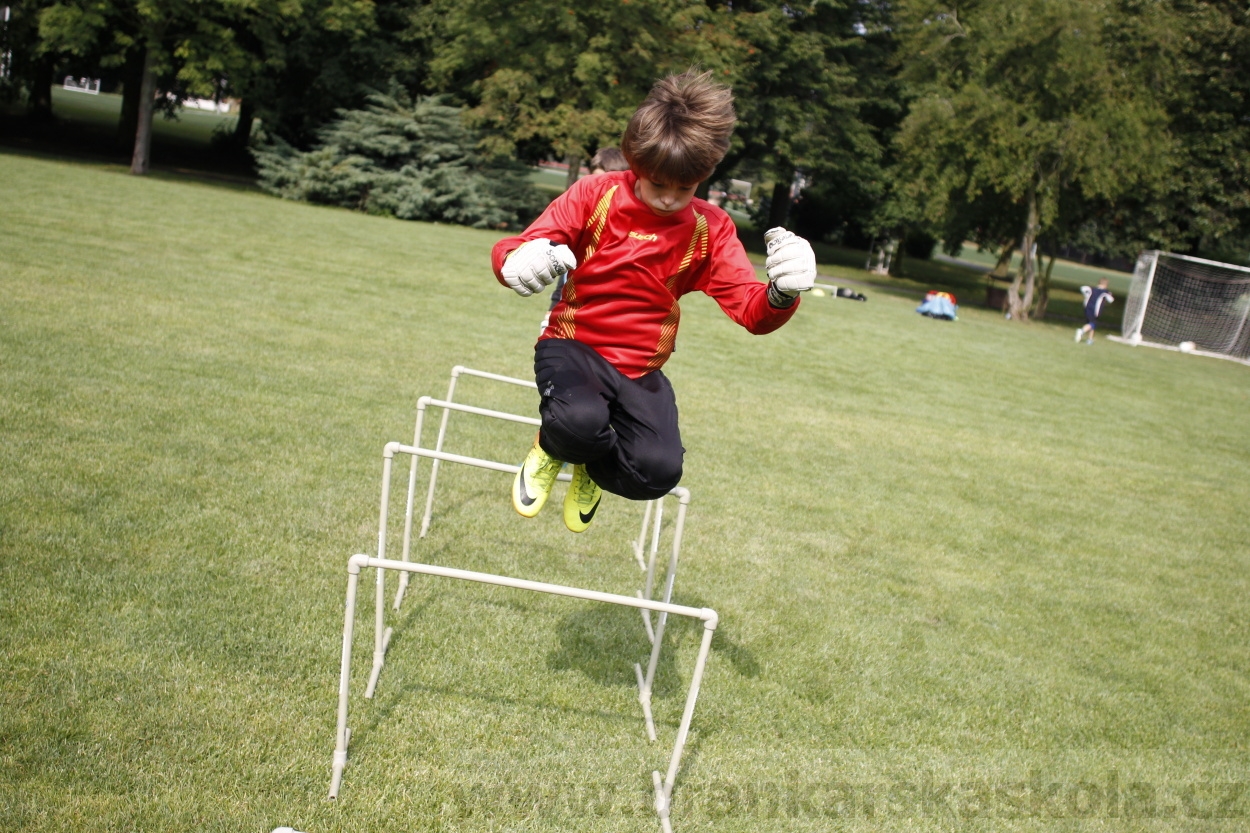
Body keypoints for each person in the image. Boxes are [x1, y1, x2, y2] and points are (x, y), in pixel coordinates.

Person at [491, 69, 817, 533]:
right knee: (579, 421)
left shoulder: (711, 227)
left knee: (657, 472)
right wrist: (513, 262)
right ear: (634, 162)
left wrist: (781, 293)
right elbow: (522, 245)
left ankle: (587, 466)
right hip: (573, 346)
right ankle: (553, 446)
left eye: (683, 189)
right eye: (656, 183)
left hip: (640, 367)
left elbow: (750, 310)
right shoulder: (595, 193)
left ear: (704, 175)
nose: (667, 199)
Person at [540, 147, 631, 331]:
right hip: (573, 320)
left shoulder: (633, 230)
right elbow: (567, 274)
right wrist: (553, 309)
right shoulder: (583, 222)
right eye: (595, 179)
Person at [1075, 278, 1114, 344]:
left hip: (1087, 308)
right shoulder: (1105, 292)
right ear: (1106, 285)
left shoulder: (1092, 289)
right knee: (1093, 323)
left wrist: (1086, 295)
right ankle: (1081, 331)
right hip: (1095, 310)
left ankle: (1090, 339)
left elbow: (1083, 288)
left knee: (1090, 323)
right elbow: (1111, 300)